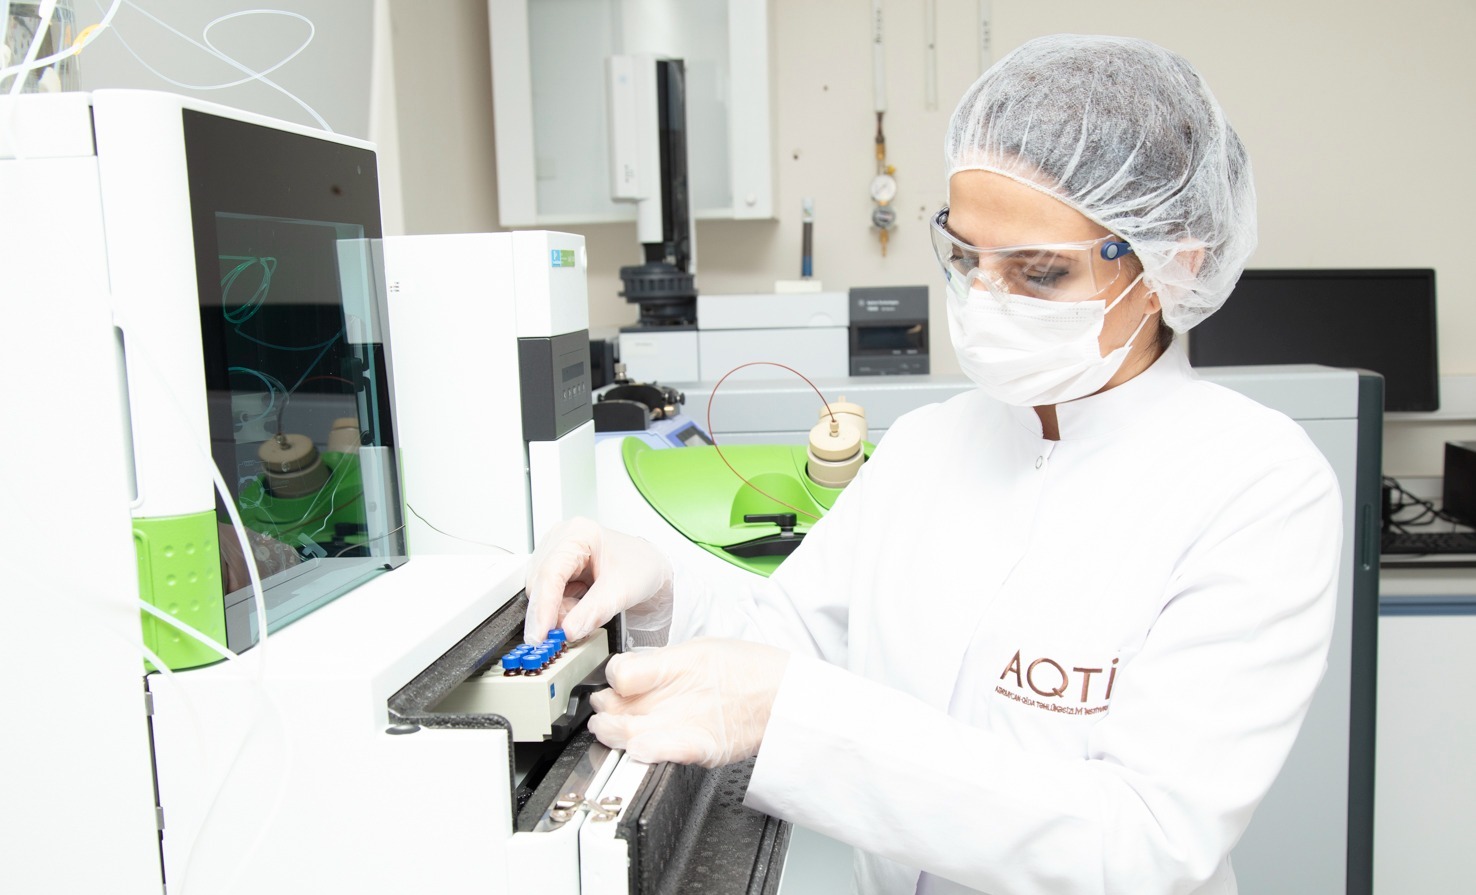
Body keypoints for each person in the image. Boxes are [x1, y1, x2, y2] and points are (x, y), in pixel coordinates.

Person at [524, 34, 1341, 895]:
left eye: (1039, 272)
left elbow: (1143, 843)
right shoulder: (927, 446)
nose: (985, 299)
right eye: (966, 256)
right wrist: (658, 594)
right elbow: (780, 647)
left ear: (1174, 263)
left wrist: (796, 719)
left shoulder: (1256, 486)